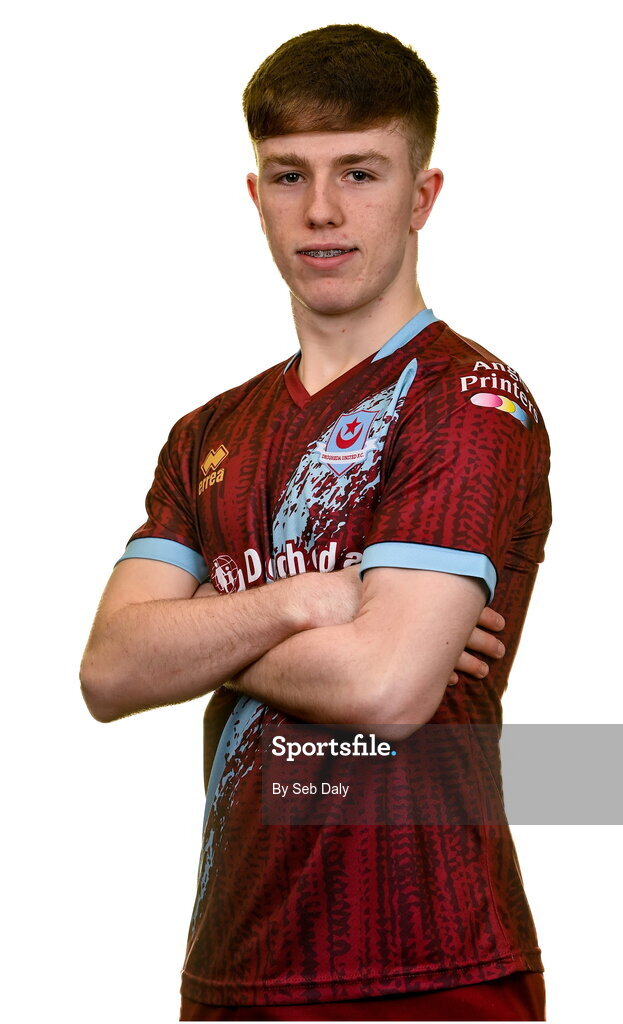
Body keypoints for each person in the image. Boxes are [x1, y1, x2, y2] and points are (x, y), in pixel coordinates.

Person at [80, 24, 551, 1022]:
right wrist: (307, 599)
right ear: (255, 198)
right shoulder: (206, 431)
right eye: (289, 176)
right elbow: (109, 671)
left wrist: (206, 623)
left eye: (361, 173)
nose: (323, 211)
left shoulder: (467, 400)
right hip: (231, 968)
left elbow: (383, 684)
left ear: (420, 195)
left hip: (421, 967)